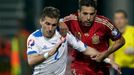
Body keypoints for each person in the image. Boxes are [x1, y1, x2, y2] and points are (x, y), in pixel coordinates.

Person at [26, 6, 103, 75]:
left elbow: (86, 49)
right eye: (47, 24)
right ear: (41, 21)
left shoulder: (64, 34)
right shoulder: (34, 38)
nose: (50, 28)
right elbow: (31, 61)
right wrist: (49, 54)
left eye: (53, 25)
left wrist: (105, 57)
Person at [60, 0, 125, 75]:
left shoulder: (104, 23)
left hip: (101, 66)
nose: (88, 18)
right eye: (85, 13)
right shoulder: (71, 19)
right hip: (80, 64)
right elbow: (55, 21)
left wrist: (105, 55)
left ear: (96, 13)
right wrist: (61, 23)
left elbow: (121, 40)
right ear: (79, 12)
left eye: (91, 14)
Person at [113, 9, 134, 75]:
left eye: (121, 18)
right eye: (116, 18)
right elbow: (110, 52)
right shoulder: (111, 34)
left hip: (132, 68)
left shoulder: (132, 31)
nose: (119, 21)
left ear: (126, 20)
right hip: (118, 68)